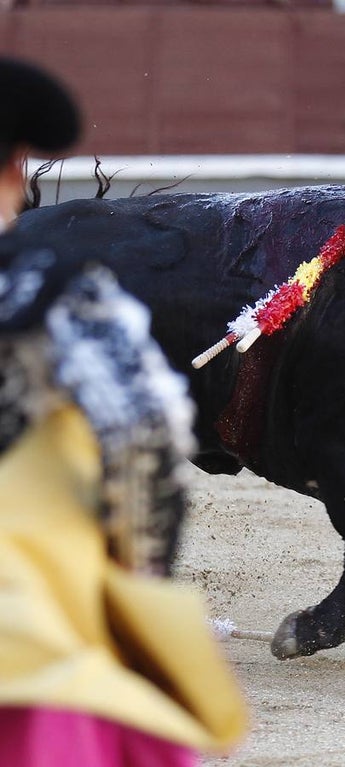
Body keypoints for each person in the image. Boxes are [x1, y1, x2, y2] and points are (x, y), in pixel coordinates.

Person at [0, 56, 247, 765]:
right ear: (14, 168)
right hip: (25, 645)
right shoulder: (51, 295)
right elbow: (142, 440)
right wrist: (136, 595)